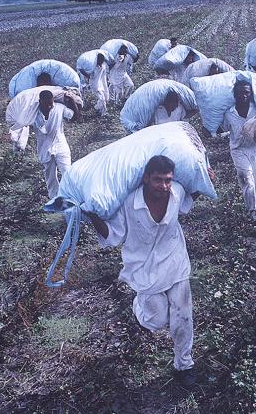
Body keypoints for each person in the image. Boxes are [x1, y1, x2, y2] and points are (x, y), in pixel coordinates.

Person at [84, 155, 203, 389]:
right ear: (146, 179)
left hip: (175, 261)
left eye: (168, 180)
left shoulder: (177, 192)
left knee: (183, 316)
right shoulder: (130, 202)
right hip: (143, 268)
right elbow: (112, 234)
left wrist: (203, 181)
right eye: (158, 180)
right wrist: (91, 215)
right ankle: (139, 308)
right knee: (157, 320)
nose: (164, 186)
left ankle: (184, 365)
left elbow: (189, 201)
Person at [222, 80, 256, 231]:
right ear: (235, 95)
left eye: (247, 92)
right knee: (248, 181)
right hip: (239, 150)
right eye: (240, 93)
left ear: (251, 94)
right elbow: (224, 128)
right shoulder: (230, 114)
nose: (243, 96)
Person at [34, 90, 77, 198]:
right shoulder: (33, 113)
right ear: (40, 102)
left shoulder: (59, 108)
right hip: (44, 149)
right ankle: (55, 199)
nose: (49, 106)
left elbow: (74, 117)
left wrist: (72, 100)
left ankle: (73, 197)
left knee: (68, 173)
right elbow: (22, 121)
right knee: (50, 177)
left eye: (50, 103)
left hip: (60, 146)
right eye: (46, 104)